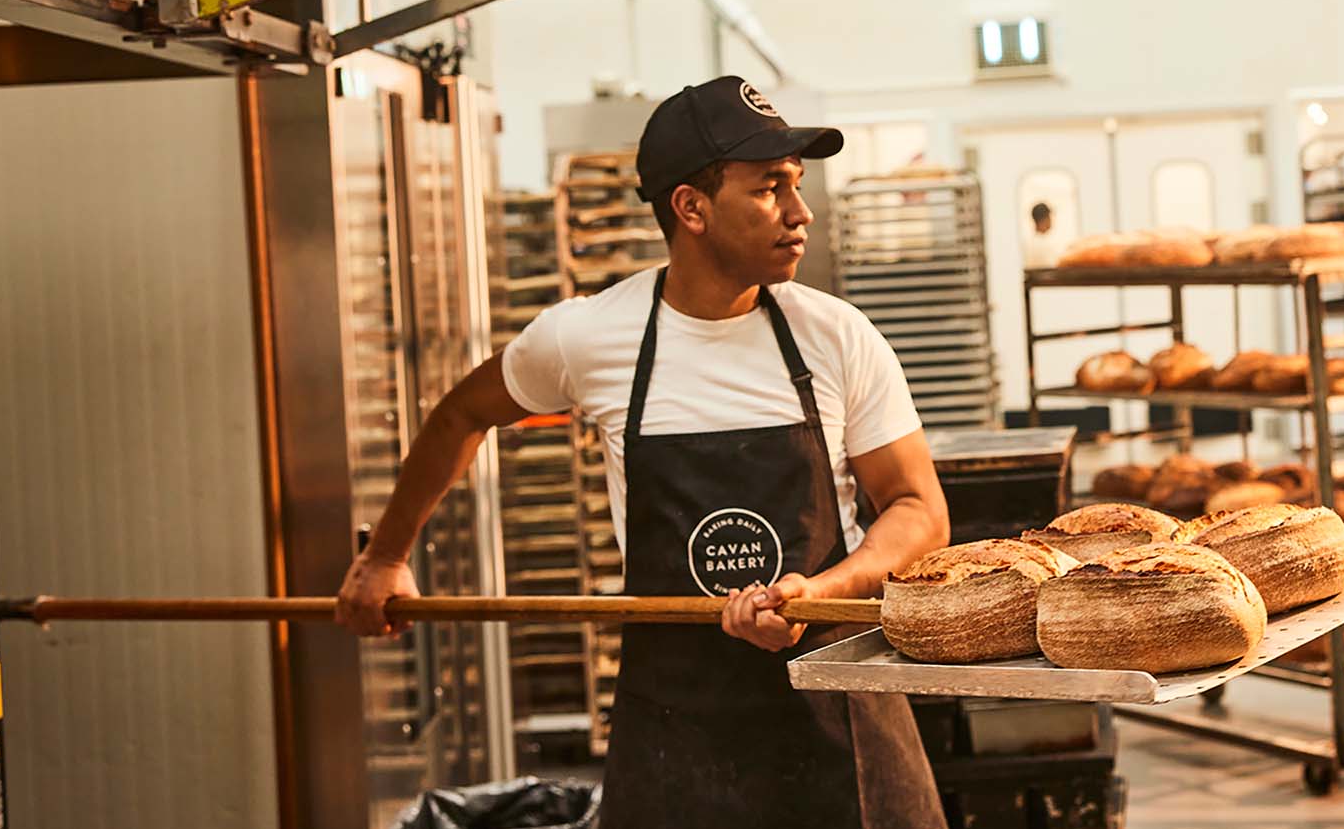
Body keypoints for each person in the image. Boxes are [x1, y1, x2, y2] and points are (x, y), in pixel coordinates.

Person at [335, 75, 952, 829]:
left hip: (836, 711)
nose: (801, 212)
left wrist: (821, 589)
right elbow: (462, 412)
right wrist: (386, 556)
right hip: (677, 733)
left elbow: (919, 509)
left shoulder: (835, 336)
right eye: (768, 189)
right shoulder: (590, 338)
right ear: (690, 208)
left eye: (795, 185)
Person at [1021, 201, 1062, 269]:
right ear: (1045, 219)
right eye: (1050, 217)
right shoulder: (1044, 245)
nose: (1051, 221)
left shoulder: (1027, 243)